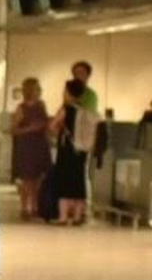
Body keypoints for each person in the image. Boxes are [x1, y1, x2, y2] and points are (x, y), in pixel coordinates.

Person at [47, 77, 92, 225]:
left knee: (64, 180)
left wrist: (58, 131)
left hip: (67, 149)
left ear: (69, 93)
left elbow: (52, 127)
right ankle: (78, 216)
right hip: (82, 150)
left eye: (65, 91)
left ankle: (63, 216)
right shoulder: (86, 111)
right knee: (79, 181)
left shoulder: (65, 109)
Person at [10, 76, 52, 221]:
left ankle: (35, 207)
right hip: (27, 147)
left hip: (40, 145)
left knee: (38, 179)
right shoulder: (21, 108)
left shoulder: (41, 105)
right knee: (27, 179)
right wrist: (30, 128)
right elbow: (13, 129)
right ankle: (24, 208)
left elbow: (45, 124)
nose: (39, 91)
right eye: (36, 88)